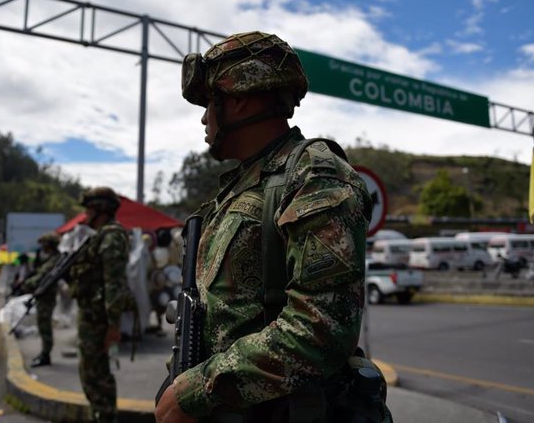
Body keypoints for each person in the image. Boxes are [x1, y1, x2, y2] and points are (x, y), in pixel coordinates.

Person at [155, 31, 381, 423]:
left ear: (239, 99)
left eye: (210, 102)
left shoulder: (314, 175)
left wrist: (196, 392)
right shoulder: (238, 188)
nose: (205, 117)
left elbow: (321, 329)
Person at [68, 186, 134, 423]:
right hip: (91, 318)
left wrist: (113, 326)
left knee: (98, 377)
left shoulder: (111, 236)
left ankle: (105, 417)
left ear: (100, 210)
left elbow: (113, 284)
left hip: (100, 322)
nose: (85, 215)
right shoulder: (100, 236)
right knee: (90, 375)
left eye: (88, 210)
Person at [20, 233, 61, 367]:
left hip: (47, 296)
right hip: (43, 295)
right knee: (43, 325)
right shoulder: (48, 258)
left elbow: (43, 275)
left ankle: (46, 354)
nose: (42, 247)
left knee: (45, 325)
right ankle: (45, 352)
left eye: (44, 244)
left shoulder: (55, 259)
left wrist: (26, 285)